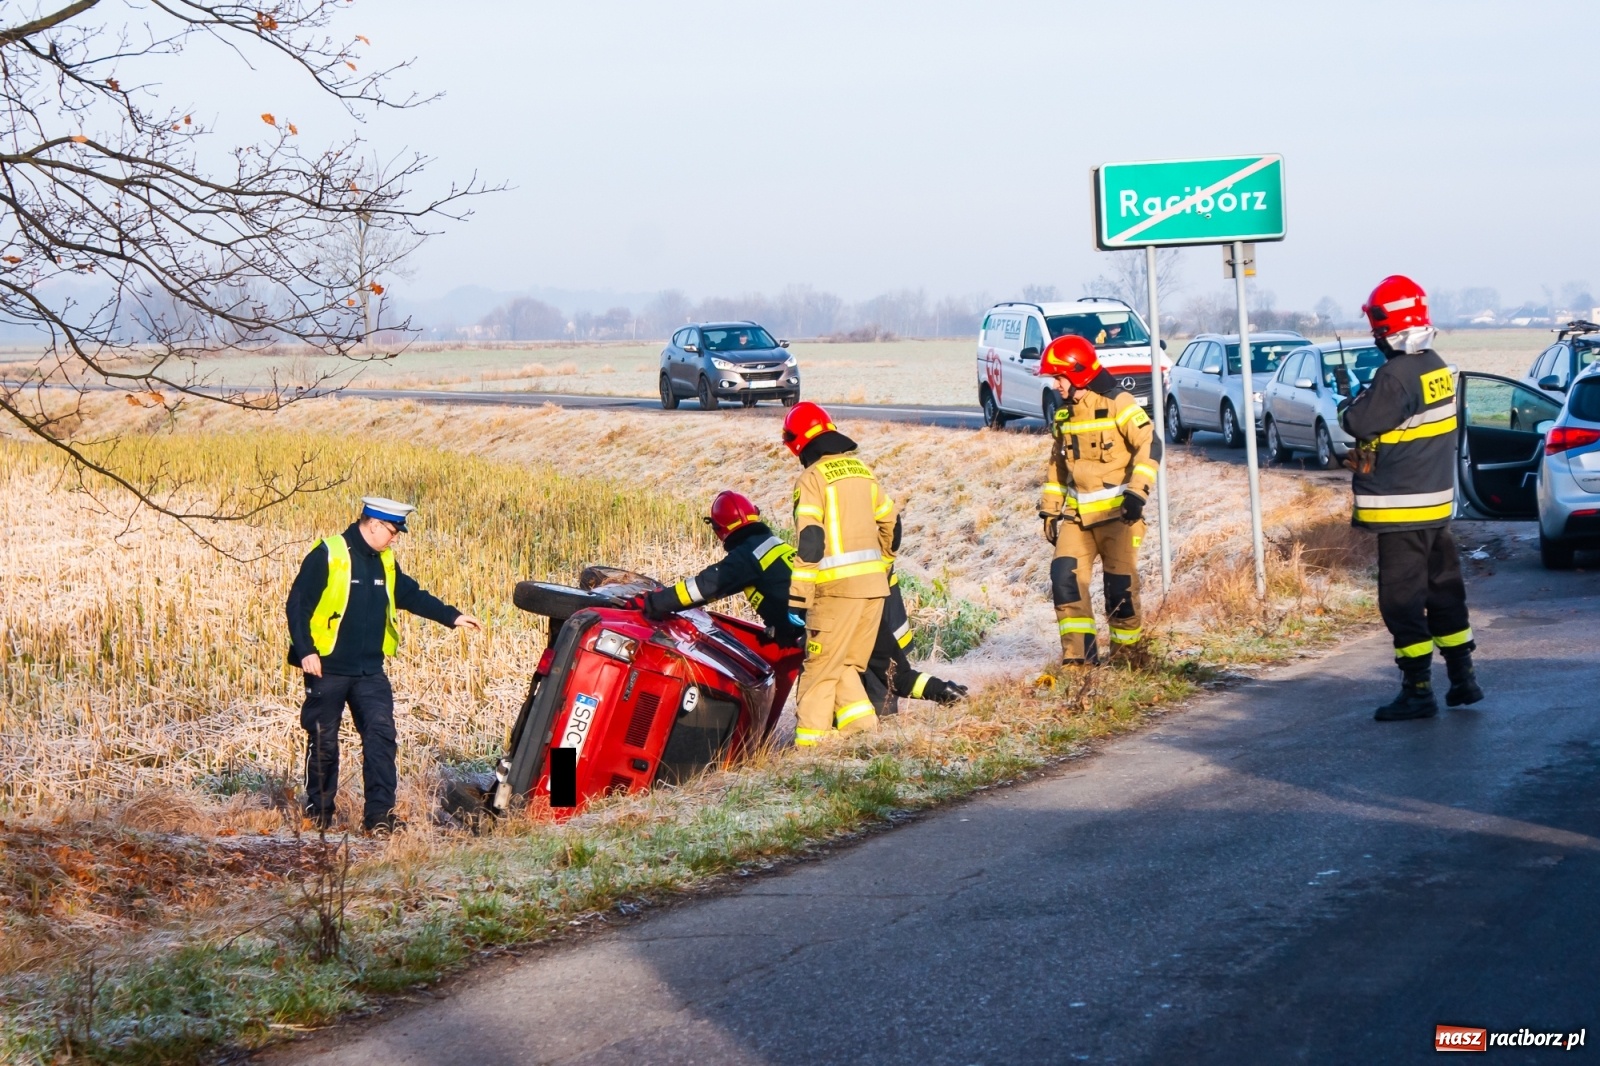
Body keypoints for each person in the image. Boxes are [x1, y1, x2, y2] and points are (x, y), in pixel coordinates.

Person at [637, 491, 966, 718]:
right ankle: (950, 693)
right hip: (857, 609)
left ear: (722, 530)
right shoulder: (776, 546)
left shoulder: (745, 556)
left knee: (830, 692)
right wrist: (778, 631)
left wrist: (653, 604)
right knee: (900, 676)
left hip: (828, 629)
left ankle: (846, 746)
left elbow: (700, 589)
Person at [286, 496, 482, 833]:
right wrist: (306, 650)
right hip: (326, 668)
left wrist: (452, 616)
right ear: (373, 524)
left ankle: (379, 818)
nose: (396, 537)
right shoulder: (329, 554)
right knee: (324, 741)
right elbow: (298, 604)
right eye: (392, 531)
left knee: (381, 737)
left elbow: (411, 595)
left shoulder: (385, 561)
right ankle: (318, 815)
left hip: (369, 673)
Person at [1340, 275, 1482, 721]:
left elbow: (1357, 423)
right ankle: (1463, 678)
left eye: (1378, 329)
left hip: (1400, 509)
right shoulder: (1437, 365)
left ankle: (1418, 690)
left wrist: (1353, 401)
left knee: (1400, 602)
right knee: (1443, 593)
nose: (1375, 337)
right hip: (1435, 507)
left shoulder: (1395, 376)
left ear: (1391, 328)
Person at [1037, 336, 1159, 666]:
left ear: (1078, 374)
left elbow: (1150, 444)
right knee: (1065, 580)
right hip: (1078, 520)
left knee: (1120, 590)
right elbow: (1058, 467)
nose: (1056, 385)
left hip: (1120, 518)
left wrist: (1138, 492)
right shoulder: (1064, 415)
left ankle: (1129, 661)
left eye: (1058, 378)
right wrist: (1050, 510)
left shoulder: (1120, 403)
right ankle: (1079, 664)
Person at [783, 401, 898, 746]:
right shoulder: (863, 471)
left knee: (818, 675)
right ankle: (864, 740)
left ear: (800, 443)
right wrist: (884, 562)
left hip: (835, 593)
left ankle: (811, 760)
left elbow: (811, 543)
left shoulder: (813, 478)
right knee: (846, 668)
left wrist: (798, 599)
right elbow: (892, 523)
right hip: (874, 590)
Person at [861, 567, 968, 715]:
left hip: (856, 619)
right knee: (899, 677)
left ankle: (948, 693)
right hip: (875, 614)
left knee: (895, 679)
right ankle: (949, 692)